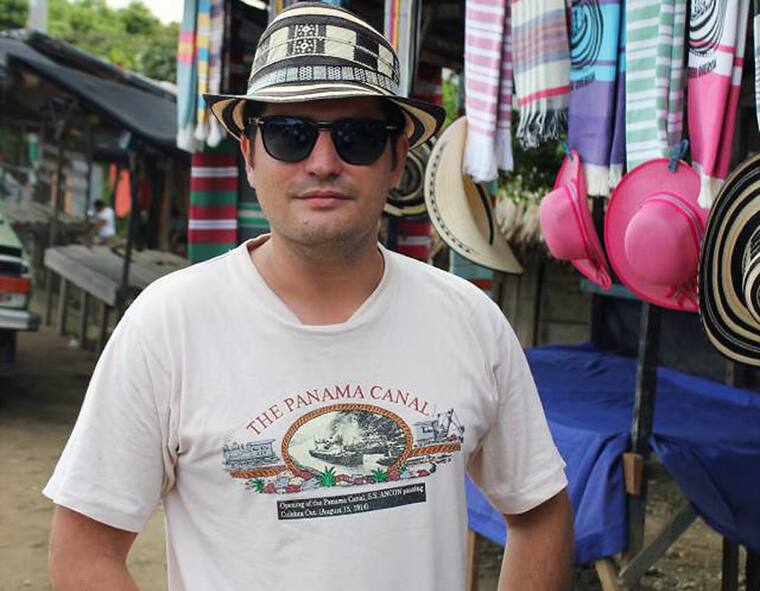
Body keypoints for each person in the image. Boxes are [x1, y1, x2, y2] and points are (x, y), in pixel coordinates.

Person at [45, 3, 573, 590]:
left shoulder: (470, 320)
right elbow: (85, 551)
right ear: (249, 154)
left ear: (397, 159)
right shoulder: (168, 325)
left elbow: (540, 508)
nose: (323, 163)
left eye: (358, 137)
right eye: (289, 135)